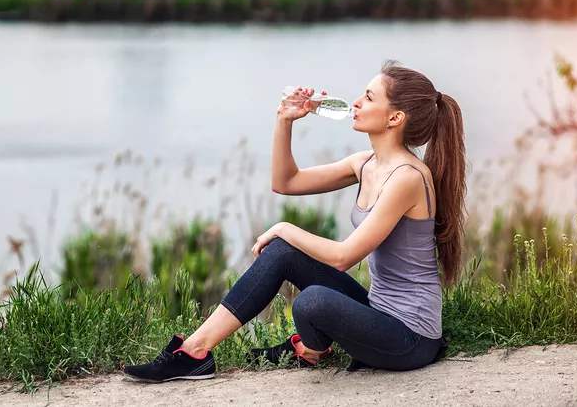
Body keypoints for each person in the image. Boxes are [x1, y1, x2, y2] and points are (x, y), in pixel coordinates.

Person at [123, 60, 466, 383]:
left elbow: (344, 257)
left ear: (395, 118)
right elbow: (286, 182)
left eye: (369, 96)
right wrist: (285, 121)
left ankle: (311, 348)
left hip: (410, 338)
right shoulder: (366, 164)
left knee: (312, 301)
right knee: (282, 252)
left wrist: (285, 227)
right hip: (377, 312)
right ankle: (195, 352)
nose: (357, 101)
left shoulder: (407, 177)